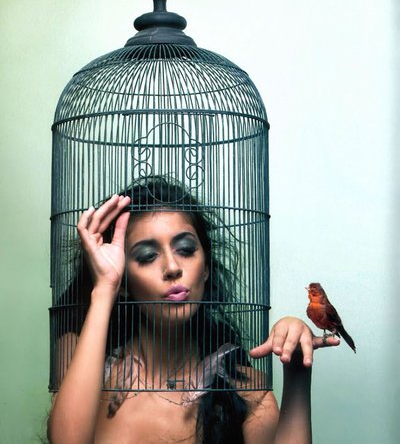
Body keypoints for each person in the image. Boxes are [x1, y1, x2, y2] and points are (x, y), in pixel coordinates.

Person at [47, 177, 339, 444]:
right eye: (147, 256)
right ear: (125, 282)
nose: (172, 267)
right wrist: (105, 287)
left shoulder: (245, 390)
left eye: (186, 249)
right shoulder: (92, 377)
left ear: (206, 268)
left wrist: (297, 370)